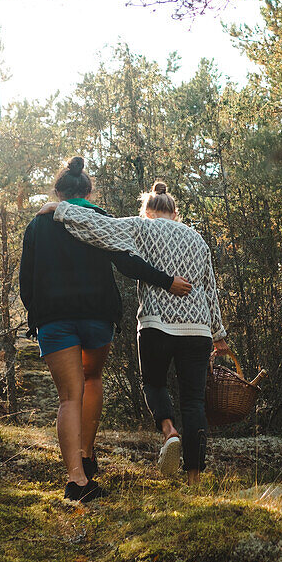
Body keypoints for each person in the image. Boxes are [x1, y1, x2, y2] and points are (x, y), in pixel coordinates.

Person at [19, 157, 193, 502]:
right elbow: (128, 263)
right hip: (96, 315)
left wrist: (35, 317)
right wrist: (167, 281)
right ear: (88, 190)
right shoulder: (100, 219)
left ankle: (77, 480)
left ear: (58, 191)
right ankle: (86, 451)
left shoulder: (37, 226)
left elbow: (26, 280)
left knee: (69, 396)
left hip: (54, 319)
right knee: (92, 378)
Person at [38, 181, 228, 487]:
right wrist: (218, 334)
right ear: (175, 211)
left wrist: (60, 210)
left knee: (153, 384)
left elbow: (99, 227)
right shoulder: (197, 239)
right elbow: (210, 289)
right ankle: (194, 479)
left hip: (157, 325)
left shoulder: (142, 227)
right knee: (193, 402)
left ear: (147, 210)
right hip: (198, 329)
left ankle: (169, 431)